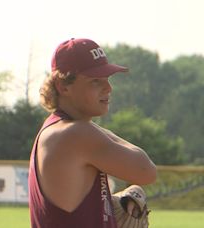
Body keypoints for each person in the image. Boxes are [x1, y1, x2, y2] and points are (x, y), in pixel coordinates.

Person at [28, 38, 156, 228]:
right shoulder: (76, 133)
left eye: (107, 79)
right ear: (63, 86)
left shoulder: (58, 130)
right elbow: (146, 171)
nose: (108, 88)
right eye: (96, 81)